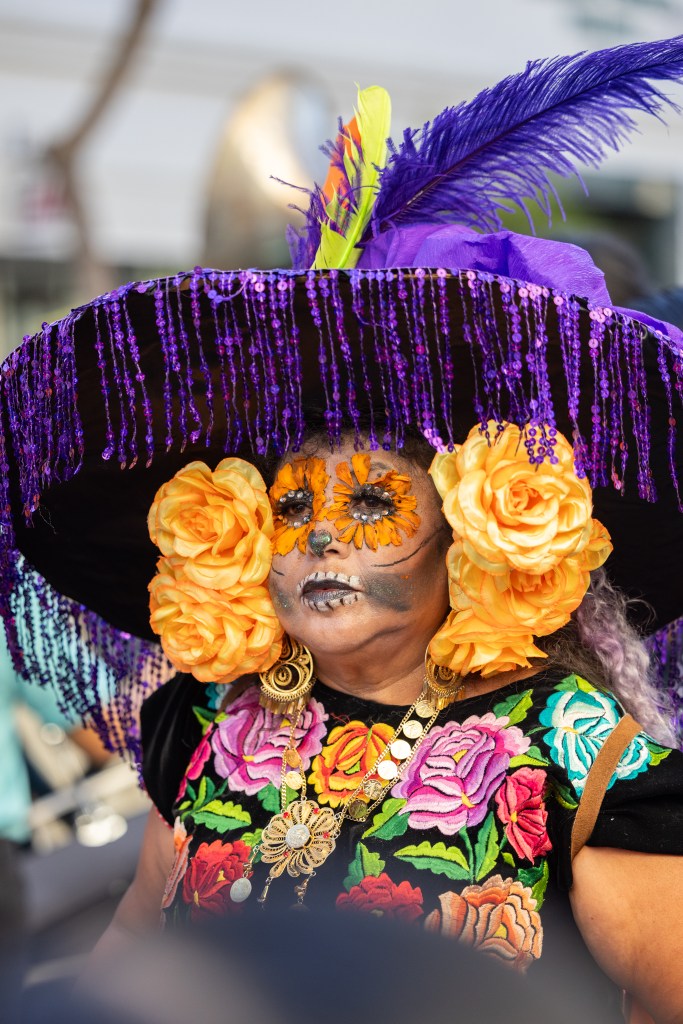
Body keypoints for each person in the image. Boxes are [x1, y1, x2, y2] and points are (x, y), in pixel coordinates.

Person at [2, 34, 683, 1024]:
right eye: (290, 506)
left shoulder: (578, 755)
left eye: (370, 502)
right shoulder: (207, 724)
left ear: (469, 531)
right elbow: (132, 962)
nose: (320, 538)